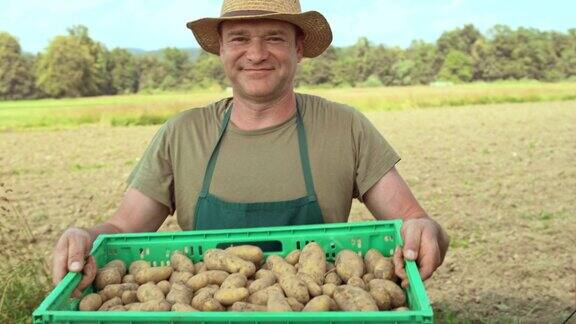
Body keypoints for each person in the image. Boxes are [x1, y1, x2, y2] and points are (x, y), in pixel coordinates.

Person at [52, 0, 449, 298]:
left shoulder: (345, 127)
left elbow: (415, 221)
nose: (256, 54)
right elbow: (122, 229)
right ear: (221, 50)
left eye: (273, 38)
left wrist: (424, 231)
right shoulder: (182, 134)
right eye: (240, 39)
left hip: (316, 310)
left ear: (298, 48)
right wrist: (84, 236)